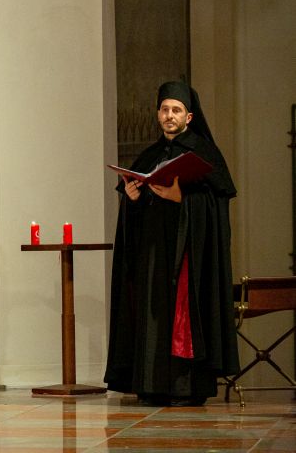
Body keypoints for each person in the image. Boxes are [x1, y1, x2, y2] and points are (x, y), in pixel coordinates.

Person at [104, 81, 239, 406]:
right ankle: (150, 385)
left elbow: (216, 205)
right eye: (164, 109)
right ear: (157, 113)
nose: (169, 115)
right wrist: (132, 199)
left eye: (176, 110)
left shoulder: (204, 152)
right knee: (150, 314)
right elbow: (134, 205)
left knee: (183, 315)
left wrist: (184, 199)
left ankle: (185, 387)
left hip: (186, 254)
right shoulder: (149, 155)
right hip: (152, 255)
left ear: (189, 117)